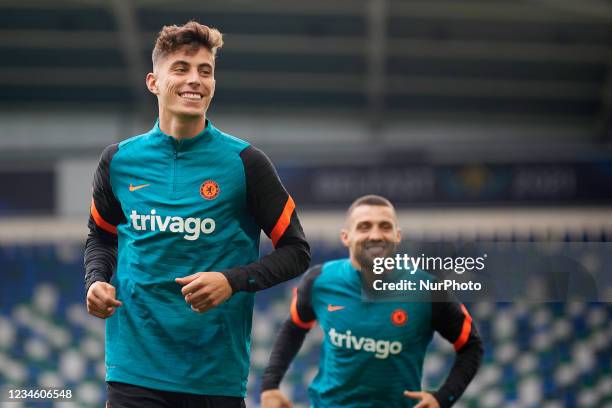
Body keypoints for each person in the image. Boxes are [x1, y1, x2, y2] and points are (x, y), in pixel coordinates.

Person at [84, 21, 310, 408]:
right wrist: (96, 280)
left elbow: (296, 250)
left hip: (213, 377)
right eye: (182, 68)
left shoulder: (245, 163)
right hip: (132, 372)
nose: (196, 80)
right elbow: (101, 235)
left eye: (206, 71)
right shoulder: (118, 160)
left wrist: (232, 280)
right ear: (154, 82)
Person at [260, 195, 483, 408]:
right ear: (346, 236)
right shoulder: (319, 281)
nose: (375, 235)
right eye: (364, 226)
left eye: (385, 226)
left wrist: (444, 398)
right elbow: (294, 327)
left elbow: (471, 346)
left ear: (398, 235)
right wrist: (270, 385)